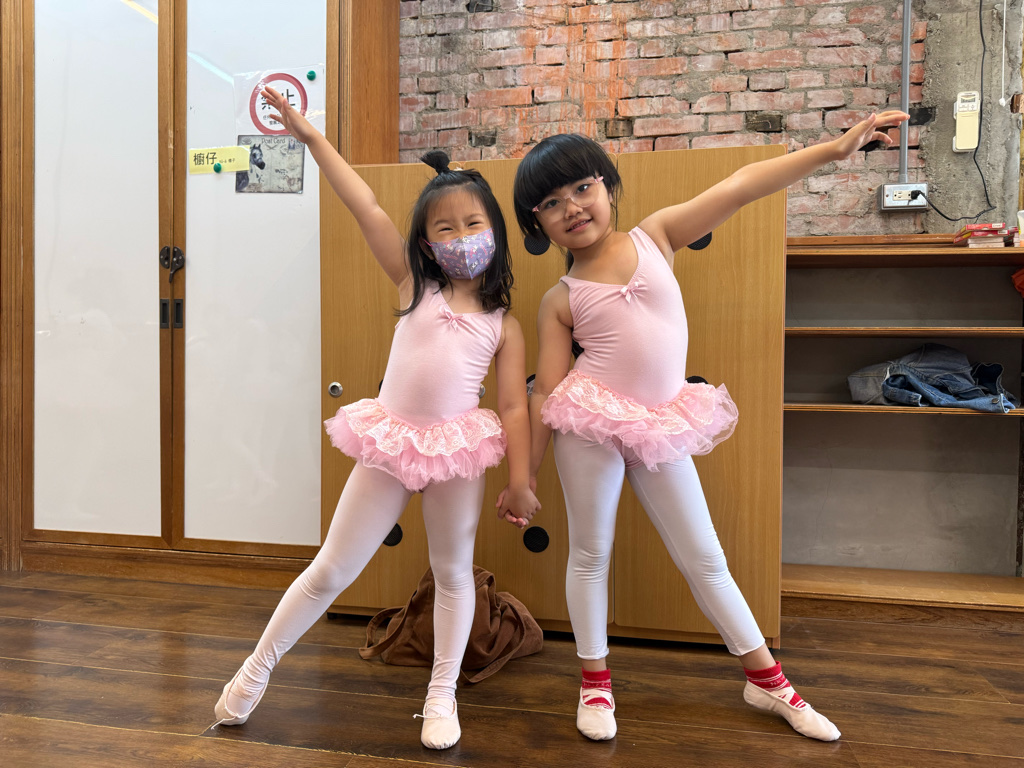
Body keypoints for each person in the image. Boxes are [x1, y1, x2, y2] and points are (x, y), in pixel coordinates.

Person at [507, 111, 910, 743]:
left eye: (582, 188)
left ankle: (767, 680)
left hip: (662, 424)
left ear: (607, 185)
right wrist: (524, 476)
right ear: (538, 224)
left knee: (705, 556)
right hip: (590, 425)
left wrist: (832, 151)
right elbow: (545, 393)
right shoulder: (560, 298)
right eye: (551, 203)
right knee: (590, 552)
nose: (573, 208)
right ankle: (594, 681)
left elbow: (741, 186)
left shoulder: (656, 236)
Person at [214, 86, 541, 750]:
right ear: (425, 241)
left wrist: (520, 479)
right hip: (391, 442)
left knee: (454, 573)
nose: (460, 238)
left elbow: (512, 406)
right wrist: (312, 139)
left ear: (496, 234)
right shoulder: (414, 285)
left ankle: (442, 695)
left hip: (456, 450)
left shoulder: (503, 324)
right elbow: (363, 203)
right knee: (332, 569)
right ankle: (255, 669)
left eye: (473, 224)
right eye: (444, 228)